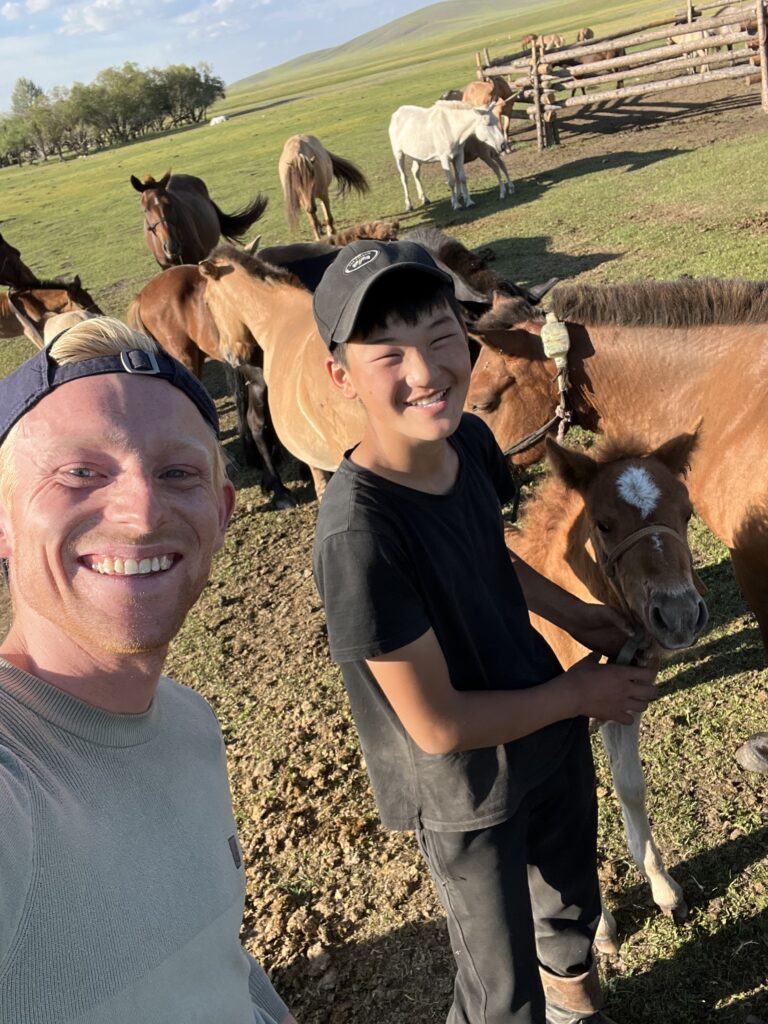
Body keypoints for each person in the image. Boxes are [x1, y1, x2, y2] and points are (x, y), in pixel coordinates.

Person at [311, 240, 658, 1024]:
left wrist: (570, 613)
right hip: (469, 792)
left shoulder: (465, 440)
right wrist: (580, 692)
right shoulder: (358, 539)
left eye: (440, 340)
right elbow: (436, 726)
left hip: (548, 730)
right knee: (499, 989)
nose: (427, 372)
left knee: (570, 907)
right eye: (389, 354)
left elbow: (486, 550)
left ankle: (577, 1009)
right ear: (341, 376)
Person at [0, 316, 296, 1024]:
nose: (139, 514)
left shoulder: (190, 721)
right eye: (80, 471)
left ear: (222, 515)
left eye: (178, 473)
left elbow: (213, 958)